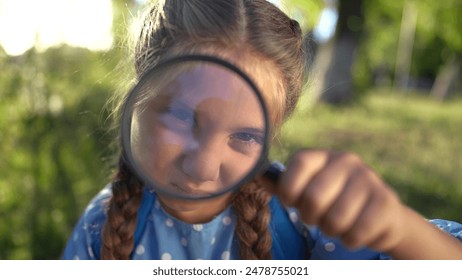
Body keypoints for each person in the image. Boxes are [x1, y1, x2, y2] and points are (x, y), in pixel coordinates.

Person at [62, 0, 462, 260]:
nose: (203, 168)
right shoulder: (102, 224)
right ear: (138, 100)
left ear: (272, 136)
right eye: (182, 117)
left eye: (245, 136)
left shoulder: (301, 217)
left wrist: (395, 226)